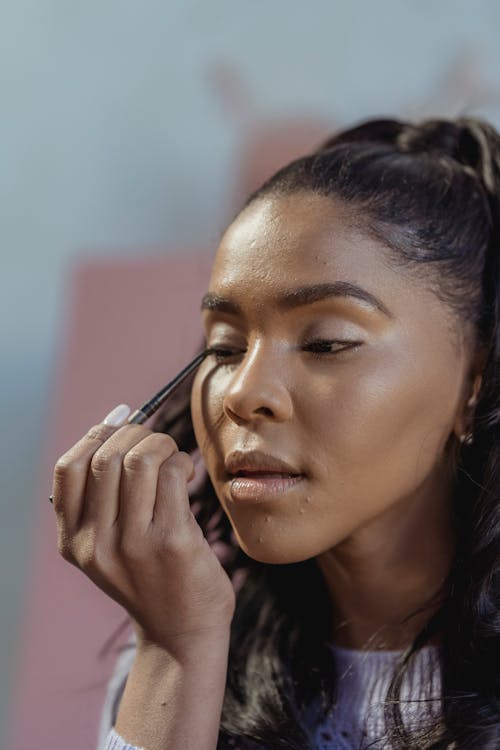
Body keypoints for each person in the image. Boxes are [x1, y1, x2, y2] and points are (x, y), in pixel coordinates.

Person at [51, 116, 500, 750]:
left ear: (475, 379)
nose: (242, 393)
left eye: (326, 342)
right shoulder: (179, 656)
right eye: (226, 347)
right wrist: (176, 649)